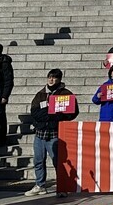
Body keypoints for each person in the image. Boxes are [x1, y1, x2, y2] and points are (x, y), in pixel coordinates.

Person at [25, 69, 78, 197]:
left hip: (55, 133)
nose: (51, 80)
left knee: (58, 162)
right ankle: (40, 185)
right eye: (50, 77)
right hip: (40, 133)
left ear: (59, 79)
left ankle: (61, 187)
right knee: (38, 160)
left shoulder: (66, 94)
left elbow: (72, 112)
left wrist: (55, 115)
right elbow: (35, 112)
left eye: (54, 78)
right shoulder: (40, 94)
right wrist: (51, 112)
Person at [0, 43, 13, 146]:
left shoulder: (5, 62)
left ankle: (1, 138)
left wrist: (5, 96)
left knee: (0, 116)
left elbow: (8, 80)